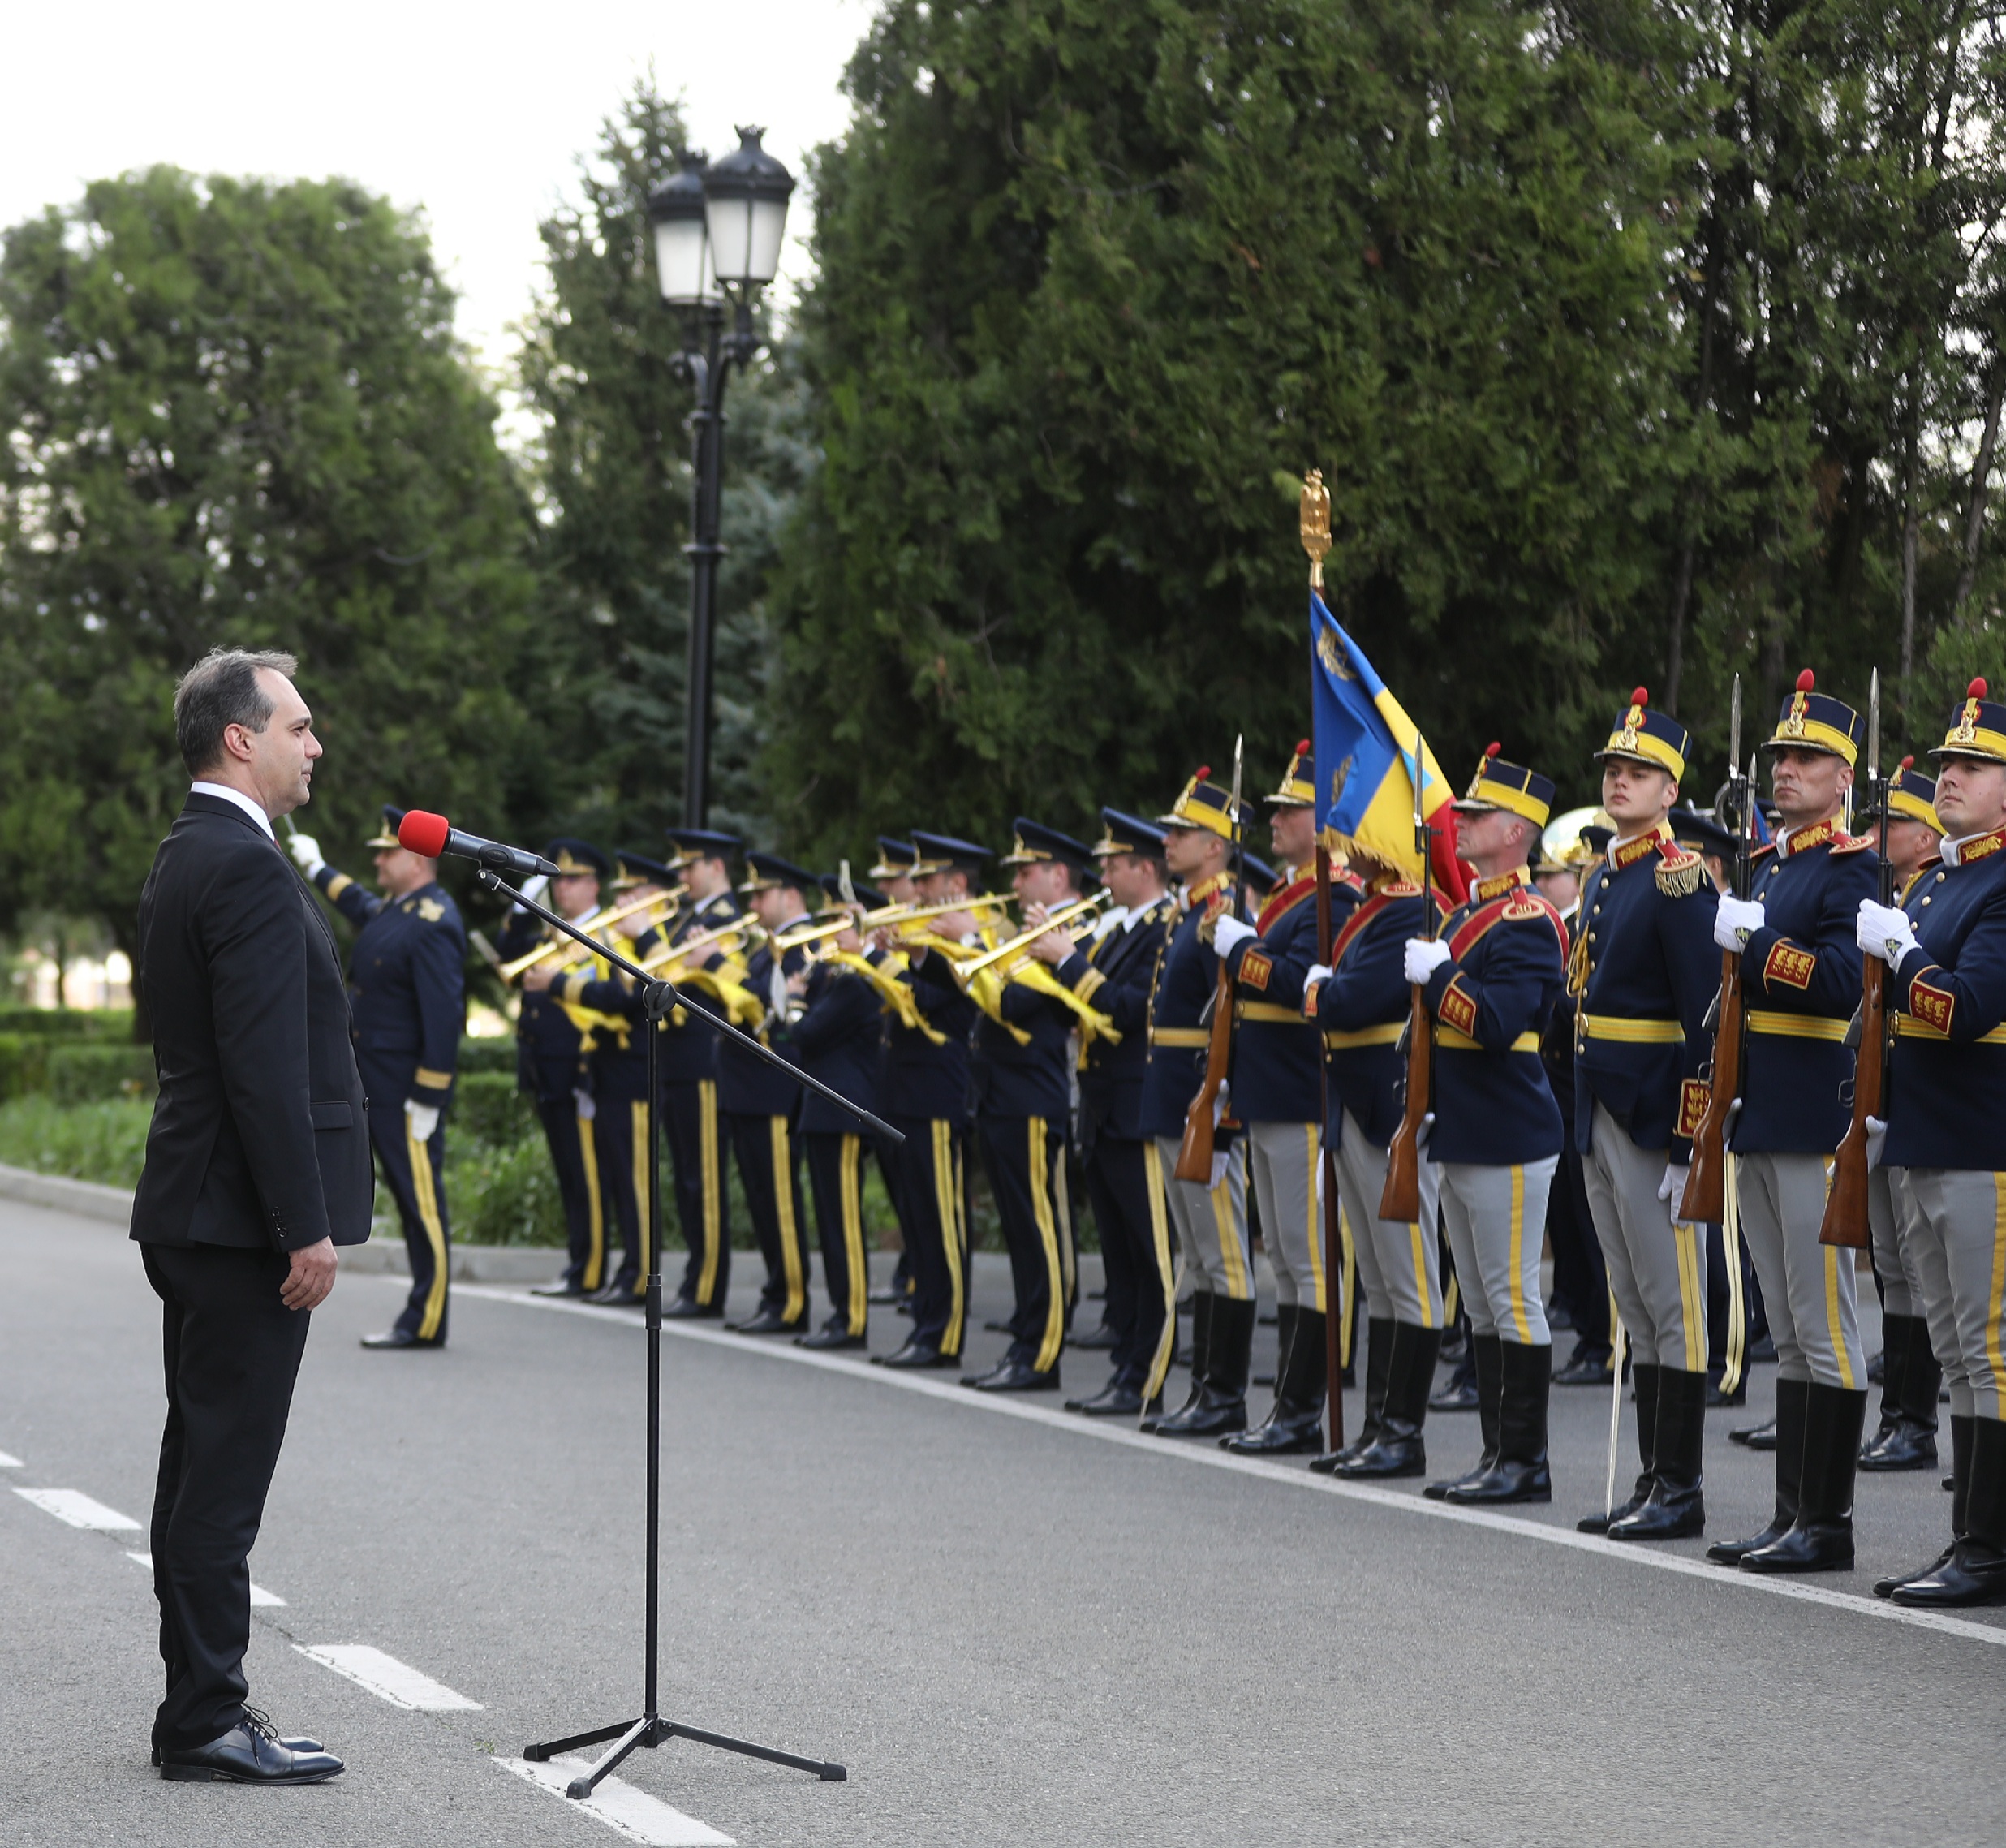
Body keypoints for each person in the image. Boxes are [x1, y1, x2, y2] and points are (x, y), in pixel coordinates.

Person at [133, 647, 365, 1784]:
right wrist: (302, 1224)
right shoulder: (248, 868)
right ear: (241, 737)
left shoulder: (194, 851)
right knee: (221, 1478)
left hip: (199, 1206)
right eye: (298, 727)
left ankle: (199, 1707)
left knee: (198, 1465)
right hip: (238, 1221)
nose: (314, 745)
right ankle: (206, 1719)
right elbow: (264, 1067)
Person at [1704, 672, 1875, 1574]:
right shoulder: (1771, 866)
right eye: (1780, 757)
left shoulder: (1853, 869)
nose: (1786, 771)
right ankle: (1790, 1515)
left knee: (1825, 1323)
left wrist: (1760, 944)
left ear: (1843, 776)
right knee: (1785, 1317)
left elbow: (1845, 982)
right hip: (1760, 1111)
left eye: (1806, 758)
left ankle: (1829, 1523)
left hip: (1815, 1116)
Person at [1866, 679, 2006, 1608]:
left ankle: (1989, 1550)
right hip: (1922, 1137)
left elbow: (1965, 1010)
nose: (1948, 778)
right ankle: (1970, 1538)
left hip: (1979, 1141)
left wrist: (1903, 955)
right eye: (1948, 763)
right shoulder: (1949, 879)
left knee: (1988, 1350)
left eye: (1971, 766)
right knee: (1956, 1349)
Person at [1569, 687, 1720, 1542]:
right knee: (1634, 1297)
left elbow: (1704, 1022)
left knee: (1673, 1305)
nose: (1621, 781)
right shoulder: (1609, 874)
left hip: (1651, 1113)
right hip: (1601, 1105)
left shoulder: (1677, 879)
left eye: (1640, 772)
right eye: (1614, 769)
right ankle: (1655, 1479)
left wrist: (1687, 1140)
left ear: (1670, 791)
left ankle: (1682, 1487)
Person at [1405, 747, 1569, 1503]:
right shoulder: (1469, 910)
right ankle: (1494, 1452)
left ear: (1515, 831)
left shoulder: (1528, 920)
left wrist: (1439, 975)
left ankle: (1524, 1461)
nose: (1459, 825)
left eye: (1475, 816)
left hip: (1508, 1128)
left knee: (1511, 1296)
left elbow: (1501, 1024)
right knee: (1477, 1298)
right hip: (1465, 1128)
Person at [1209, 743, 1354, 1454]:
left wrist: (1241, 953)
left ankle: (1301, 1408)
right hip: (1268, 1093)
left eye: (1287, 810)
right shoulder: (1285, 894)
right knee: (1286, 1258)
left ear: (1320, 821)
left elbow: (1302, 979)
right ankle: (1286, 1404)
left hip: (1300, 1093)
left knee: (1304, 1257)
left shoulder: (1335, 894)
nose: (1272, 819)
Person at [906, 825, 1082, 1394]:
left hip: (1031, 1095)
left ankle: (1043, 1352)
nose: (1013, 882)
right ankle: (1025, 1343)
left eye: (1025, 872)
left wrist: (976, 941)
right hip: (1002, 1096)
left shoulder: (1067, 934)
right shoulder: (1033, 931)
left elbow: (1015, 1002)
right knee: (1020, 1234)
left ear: (1058, 875)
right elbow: (971, 990)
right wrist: (923, 956)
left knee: (1040, 1233)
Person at [288, 806, 466, 1349]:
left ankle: (428, 1316)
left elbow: (444, 1015)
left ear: (415, 859)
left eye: (386, 852)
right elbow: (361, 903)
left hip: (408, 1091)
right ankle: (421, 1312)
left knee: (422, 1203)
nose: (378, 861)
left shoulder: (435, 919)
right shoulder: (402, 909)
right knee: (413, 1200)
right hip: (381, 1085)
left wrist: (430, 1094)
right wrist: (317, 868)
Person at [1303, 851, 1444, 1478]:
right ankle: (1378, 1426)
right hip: (1355, 1108)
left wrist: (1318, 987)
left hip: (1388, 1110)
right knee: (1382, 1282)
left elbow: (1354, 999)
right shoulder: (1374, 907)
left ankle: (1403, 1434)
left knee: (1409, 1279)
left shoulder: (1410, 909)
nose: (1345, 842)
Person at [1042, 810, 1180, 1415]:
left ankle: (1146, 1375)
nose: (1101, 870)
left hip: (1135, 1103)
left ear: (1143, 869)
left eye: (1113, 862)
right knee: (1119, 1253)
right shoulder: (1117, 929)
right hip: (1101, 1106)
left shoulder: (1163, 928)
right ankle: (1125, 1364)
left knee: (1151, 1253)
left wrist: (1069, 961)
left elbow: (1131, 1010)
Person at [1139, 769, 1257, 1438]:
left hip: (1201, 1096)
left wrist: (1225, 1098)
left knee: (1224, 1253)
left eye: (1183, 831)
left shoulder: (1226, 910)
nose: (1169, 839)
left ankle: (1224, 1394)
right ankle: (1205, 1388)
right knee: (1200, 1252)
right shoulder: (1192, 908)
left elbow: (1232, 1016)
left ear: (1217, 844)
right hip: (1174, 1094)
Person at [525, 850, 682, 1305]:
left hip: (633, 1070)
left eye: (636, 892)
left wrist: (558, 985)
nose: (628, 900)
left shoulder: (655, 938)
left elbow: (634, 995)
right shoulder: (629, 936)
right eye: (625, 892)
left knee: (634, 1183)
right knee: (619, 1179)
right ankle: (627, 1271)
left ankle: (638, 1276)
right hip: (609, 1070)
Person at [1854, 757, 1947, 1471]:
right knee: (1891, 1260)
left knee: (1918, 1267)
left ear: (1928, 835)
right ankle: (1897, 1413)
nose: (1881, 833)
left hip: (1921, 1101)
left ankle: (1916, 1418)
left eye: (1896, 823)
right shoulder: (1904, 897)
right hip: (1880, 1096)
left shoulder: (1934, 897)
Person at [870, 835, 982, 1370]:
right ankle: (926, 1321)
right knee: (918, 1220)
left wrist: (905, 960)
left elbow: (948, 1006)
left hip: (939, 1089)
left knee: (941, 1219)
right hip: (907, 1089)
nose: (916, 889)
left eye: (927, 880)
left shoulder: (973, 933)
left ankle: (945, 1331)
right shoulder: (934, 934)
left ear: (956, 884)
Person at [496, 841, 613, 1299]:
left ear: (594, 885)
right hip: (546, 1069)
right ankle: (578, 1262)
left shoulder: (603, 933)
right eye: (559, 881)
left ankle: (590, 1268)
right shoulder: (551, 929)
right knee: (569, 1171)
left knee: (586, 1174)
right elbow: (509, 948)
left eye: (574, 880)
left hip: (579, 1069)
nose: (564, 890)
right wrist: (530, 896)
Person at [711, 851, 820, 1335]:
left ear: (790, 894)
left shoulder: (804, 944)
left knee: (779, 1200)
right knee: (760, 1199)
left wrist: (714, 963)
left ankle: (792, 1298)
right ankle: (777, 1293)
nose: (752, 901)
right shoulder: (767, 945)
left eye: (761, 893)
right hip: (748, 1091)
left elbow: (766, 1000)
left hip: (773, 1090)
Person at [788, 875, 893, 1350]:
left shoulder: (857, 983)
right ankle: (840, 1313)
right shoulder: (836, 977)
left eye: (840, 922)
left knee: (844, 1220)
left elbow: (807, 1034)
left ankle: (852, 1318)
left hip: (844, 1108)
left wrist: (793, 1002)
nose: (831, 933)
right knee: (830, 1217)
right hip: (824, 1108)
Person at [656, 828, 746, 1319]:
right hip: (679, 1064)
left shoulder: (729, 921)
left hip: (705, 1064)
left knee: (704, 1181)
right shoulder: (690, 918)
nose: (683, 877)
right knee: (688, 1178)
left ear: (716, 867)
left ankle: (708, 1284)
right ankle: (697, 1275)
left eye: (691, 867)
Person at [865, 837, 924, 1312]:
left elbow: (914, 995)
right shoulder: (902, 931)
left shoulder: (925, 936)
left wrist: (870, 956)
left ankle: (924, 1289)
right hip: (895, 1081)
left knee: (929, 1204)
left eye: (896, 880)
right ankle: (914, 1278)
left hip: (929, 1085)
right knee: (910, 1197)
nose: (886, 889)